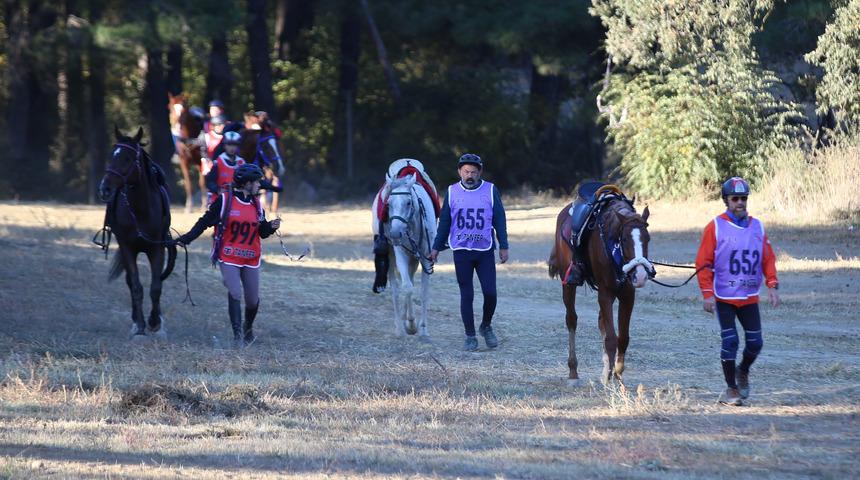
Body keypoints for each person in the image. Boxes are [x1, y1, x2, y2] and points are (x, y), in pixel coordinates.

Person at [176, 163, 282, 348]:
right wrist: (187, 238)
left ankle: (248, 328)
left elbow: (261, 232)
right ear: (246, 183)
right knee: (234, 292)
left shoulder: (257, 205)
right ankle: (238, 337)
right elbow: (205, 222)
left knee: (252, 300)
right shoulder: (225, 201)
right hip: (229, 256)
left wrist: (270, 227)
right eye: (256, 182)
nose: (259, 185)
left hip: (251, 257)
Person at [695, 176, 780, 406]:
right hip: (724, 297)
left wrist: (772, 284)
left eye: (743, 198)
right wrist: (707, 294)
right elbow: (702, 263)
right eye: (735, 198)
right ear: (726, 200)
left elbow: (768, 258)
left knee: (755, 343)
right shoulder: (715, 227)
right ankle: (732, 388)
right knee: (730, 341)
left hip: (749, 297)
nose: (740, 202)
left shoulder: (758, 226)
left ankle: (743, 371)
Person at [430, 153, 509, 351]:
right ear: (459, 172)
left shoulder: (490, 190)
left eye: (474, 171)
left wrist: (504, 245)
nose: (470, 175)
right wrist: (436, 248)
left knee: (490, 293)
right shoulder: (452, 191)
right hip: (461, 251)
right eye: (466, 171)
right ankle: (470, 335)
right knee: (467, 295)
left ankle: (486, 326)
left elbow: (499, 218)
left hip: (484, 250)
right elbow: (445, 222)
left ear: (480, 172)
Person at [204, 130, 246, 203]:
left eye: (234, 145)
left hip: (237, 199)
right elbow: (210, 181)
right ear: (224, 145)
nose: (232, 148)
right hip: (220, 199)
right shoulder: (218, 162)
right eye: (229, 144)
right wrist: (218, 190)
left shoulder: (242, 163)